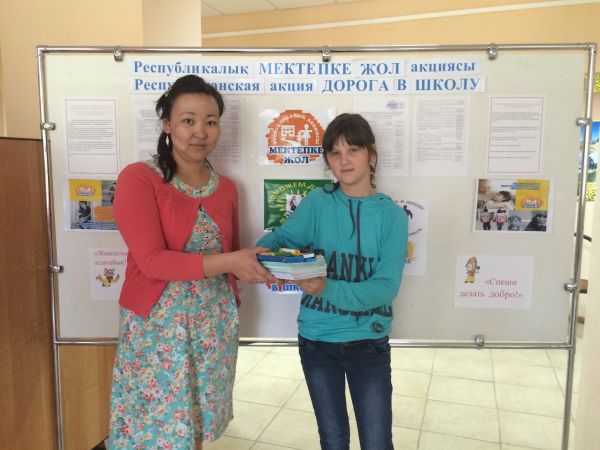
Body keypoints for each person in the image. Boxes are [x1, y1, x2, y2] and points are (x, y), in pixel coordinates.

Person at [108, 75, 275, 450]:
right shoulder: (139, 178)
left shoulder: (227, 187)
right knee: (154, 429)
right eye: (188, 120)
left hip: (213, 327)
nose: (201, 131)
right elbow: (151, 261)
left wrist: (262, 265)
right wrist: (232, 260)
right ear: (167, 124)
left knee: (197, 425)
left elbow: (231, 258)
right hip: (157, 329)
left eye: (211, 121)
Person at [257, 113, 408, 450]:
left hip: (368, 342)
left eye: (353, 150)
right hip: (316, 340)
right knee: (333, 439)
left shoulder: (392, 216)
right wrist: (261, 255)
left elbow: (385, 288)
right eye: (335, 153)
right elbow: (281, 238)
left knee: (377, 442)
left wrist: (327, 287)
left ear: (371, 153)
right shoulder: (318, 202)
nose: (344, 161)